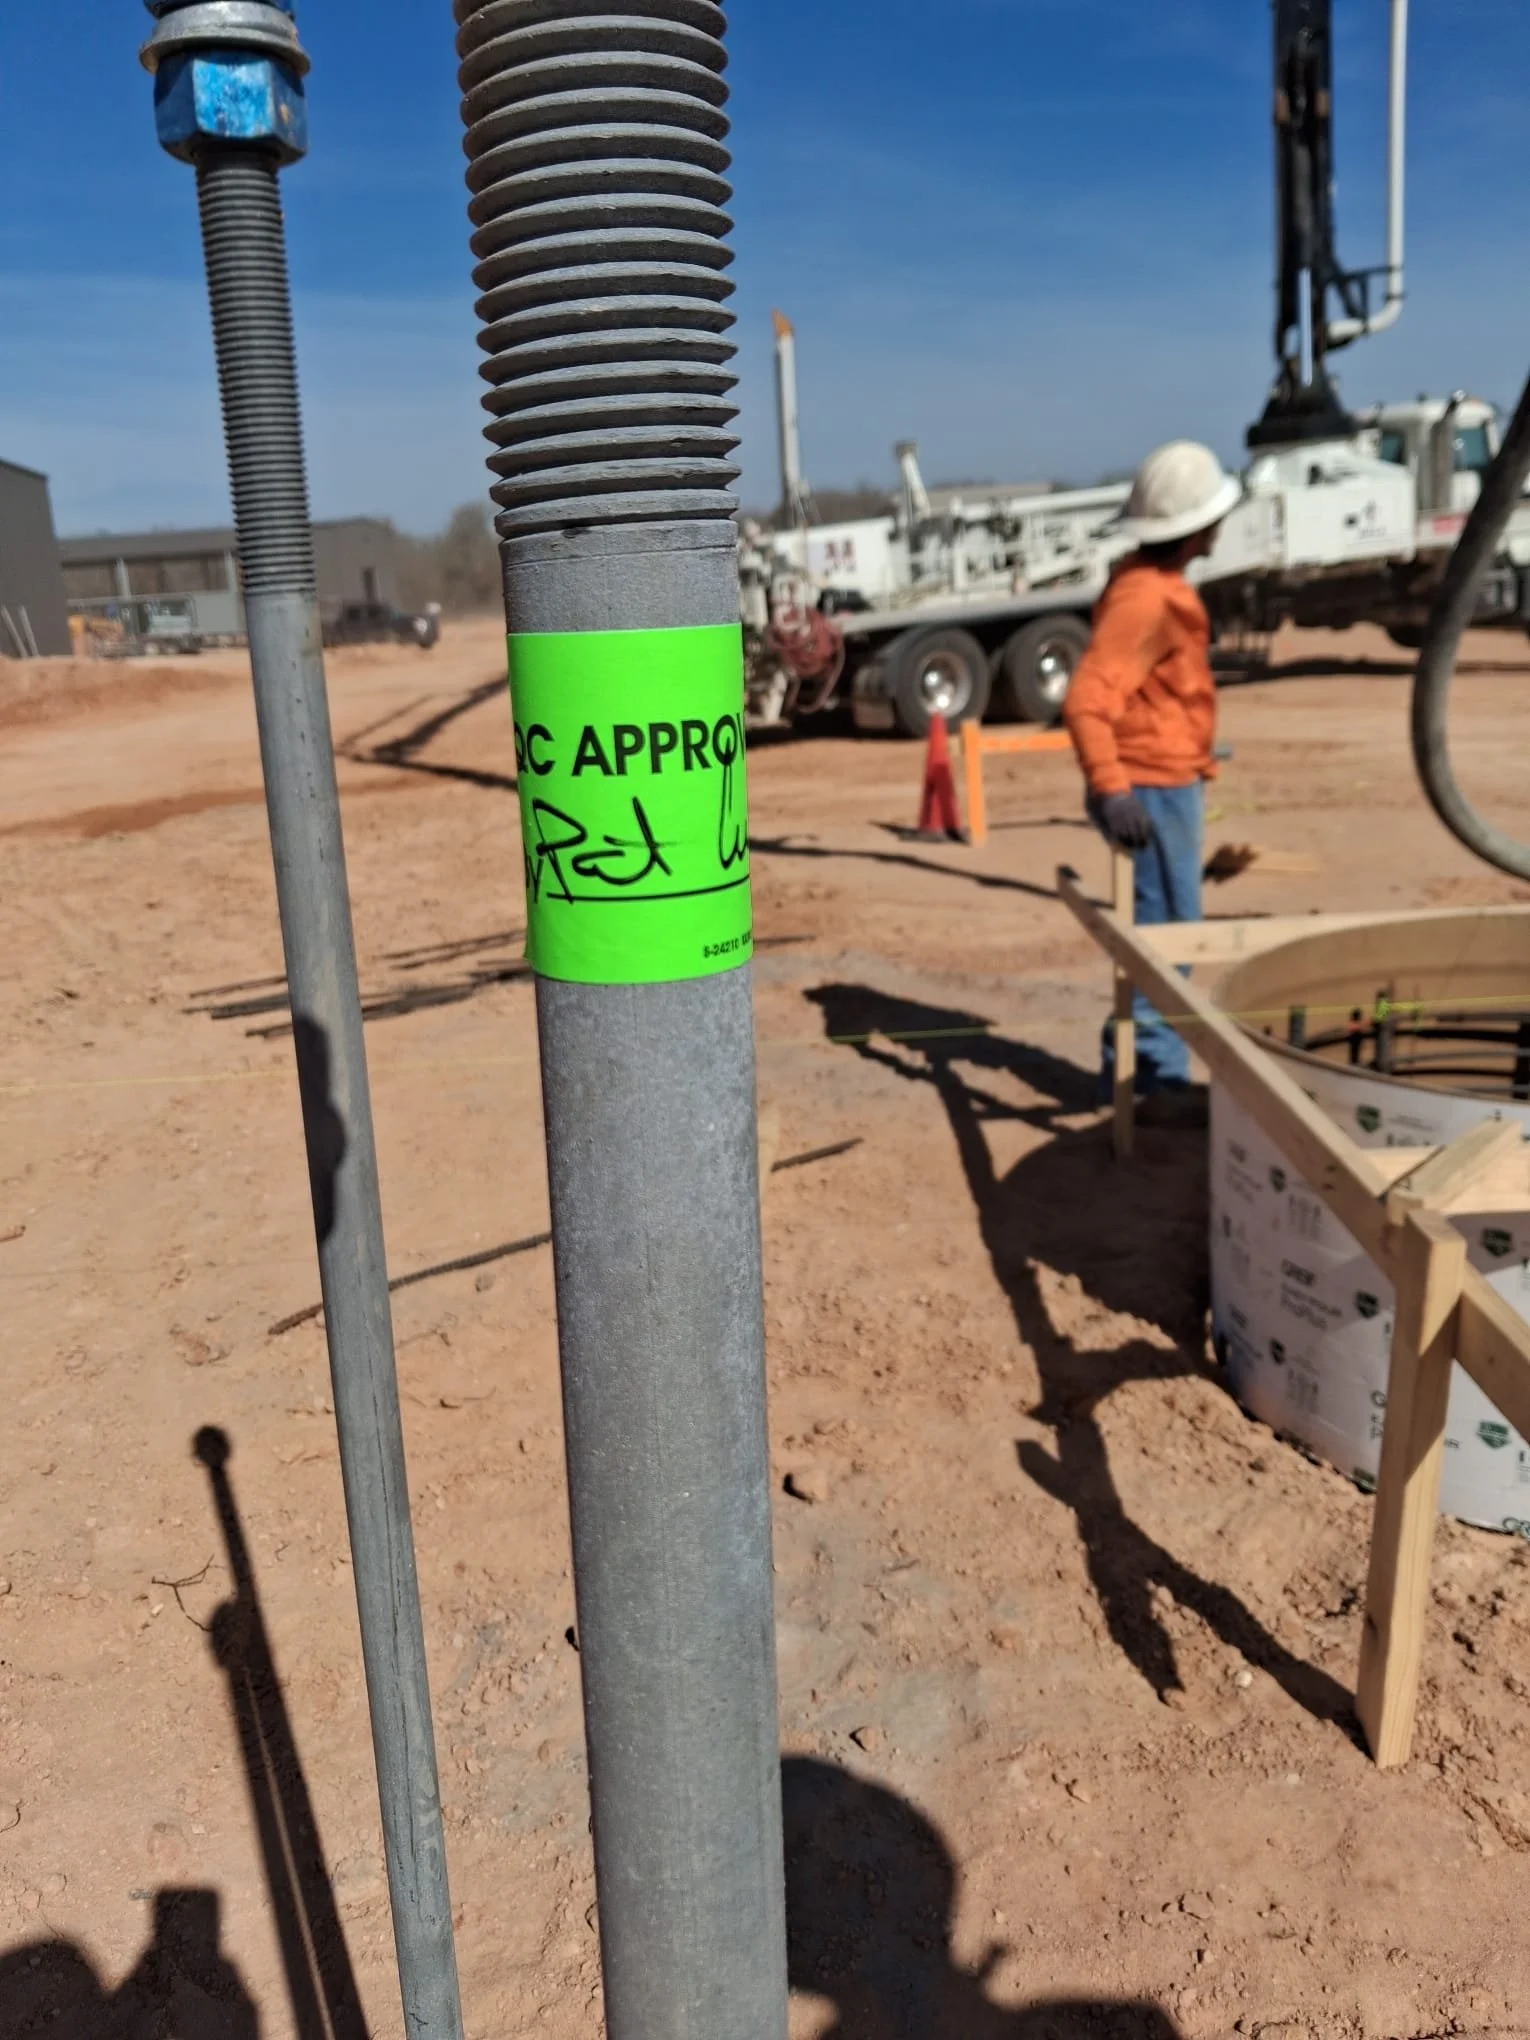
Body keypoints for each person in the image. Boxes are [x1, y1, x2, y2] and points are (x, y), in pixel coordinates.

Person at [1063, 439, 1240, 1103]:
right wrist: (1113, 791)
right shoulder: (1146, 600)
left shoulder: (1152, 585)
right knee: (1168, 942)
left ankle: (1142, 1076)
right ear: (1197, 529)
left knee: (1168, 931)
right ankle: (1152, 1085)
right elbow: (1086, 700)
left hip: (1164, 780)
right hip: (1149, 788)